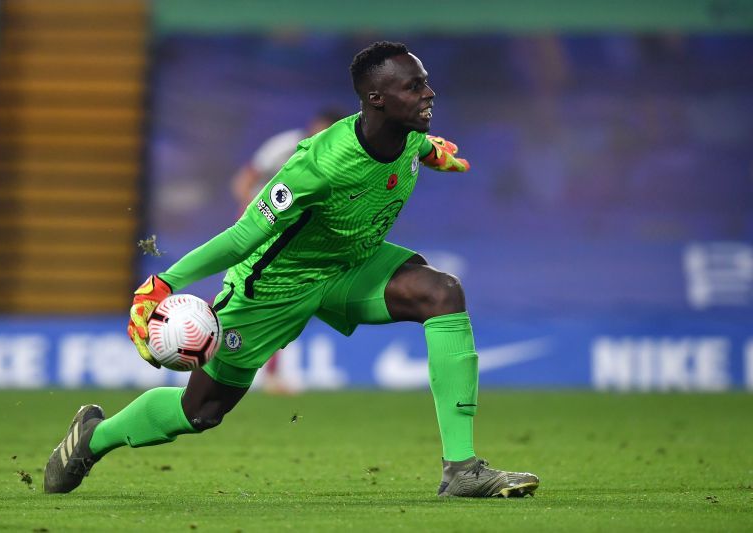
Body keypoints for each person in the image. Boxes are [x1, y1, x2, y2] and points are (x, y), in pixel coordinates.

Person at [44, 41, 540, 499]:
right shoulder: (319, 165)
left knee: (442, 293)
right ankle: (95, 436)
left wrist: (433, 152)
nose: (428, 91)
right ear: (376, 99)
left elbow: (415, 149)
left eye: (425, 80)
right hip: (274, 288)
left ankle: (462, 470)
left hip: (349, 266)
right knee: (201, 413)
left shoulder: (410, 134)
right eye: (413, 86)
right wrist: (163, 282)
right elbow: (243, 238)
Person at [229, 108, 346, 393]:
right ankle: (190, 333)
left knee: (267, 297)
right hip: (259, 225)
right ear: (312, 127)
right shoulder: (284, 147)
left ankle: (268, 371)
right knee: (246, 294)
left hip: (288, 234)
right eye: (319, 130)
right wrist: (248, 222)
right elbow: (244, 180)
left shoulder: (335, 159)